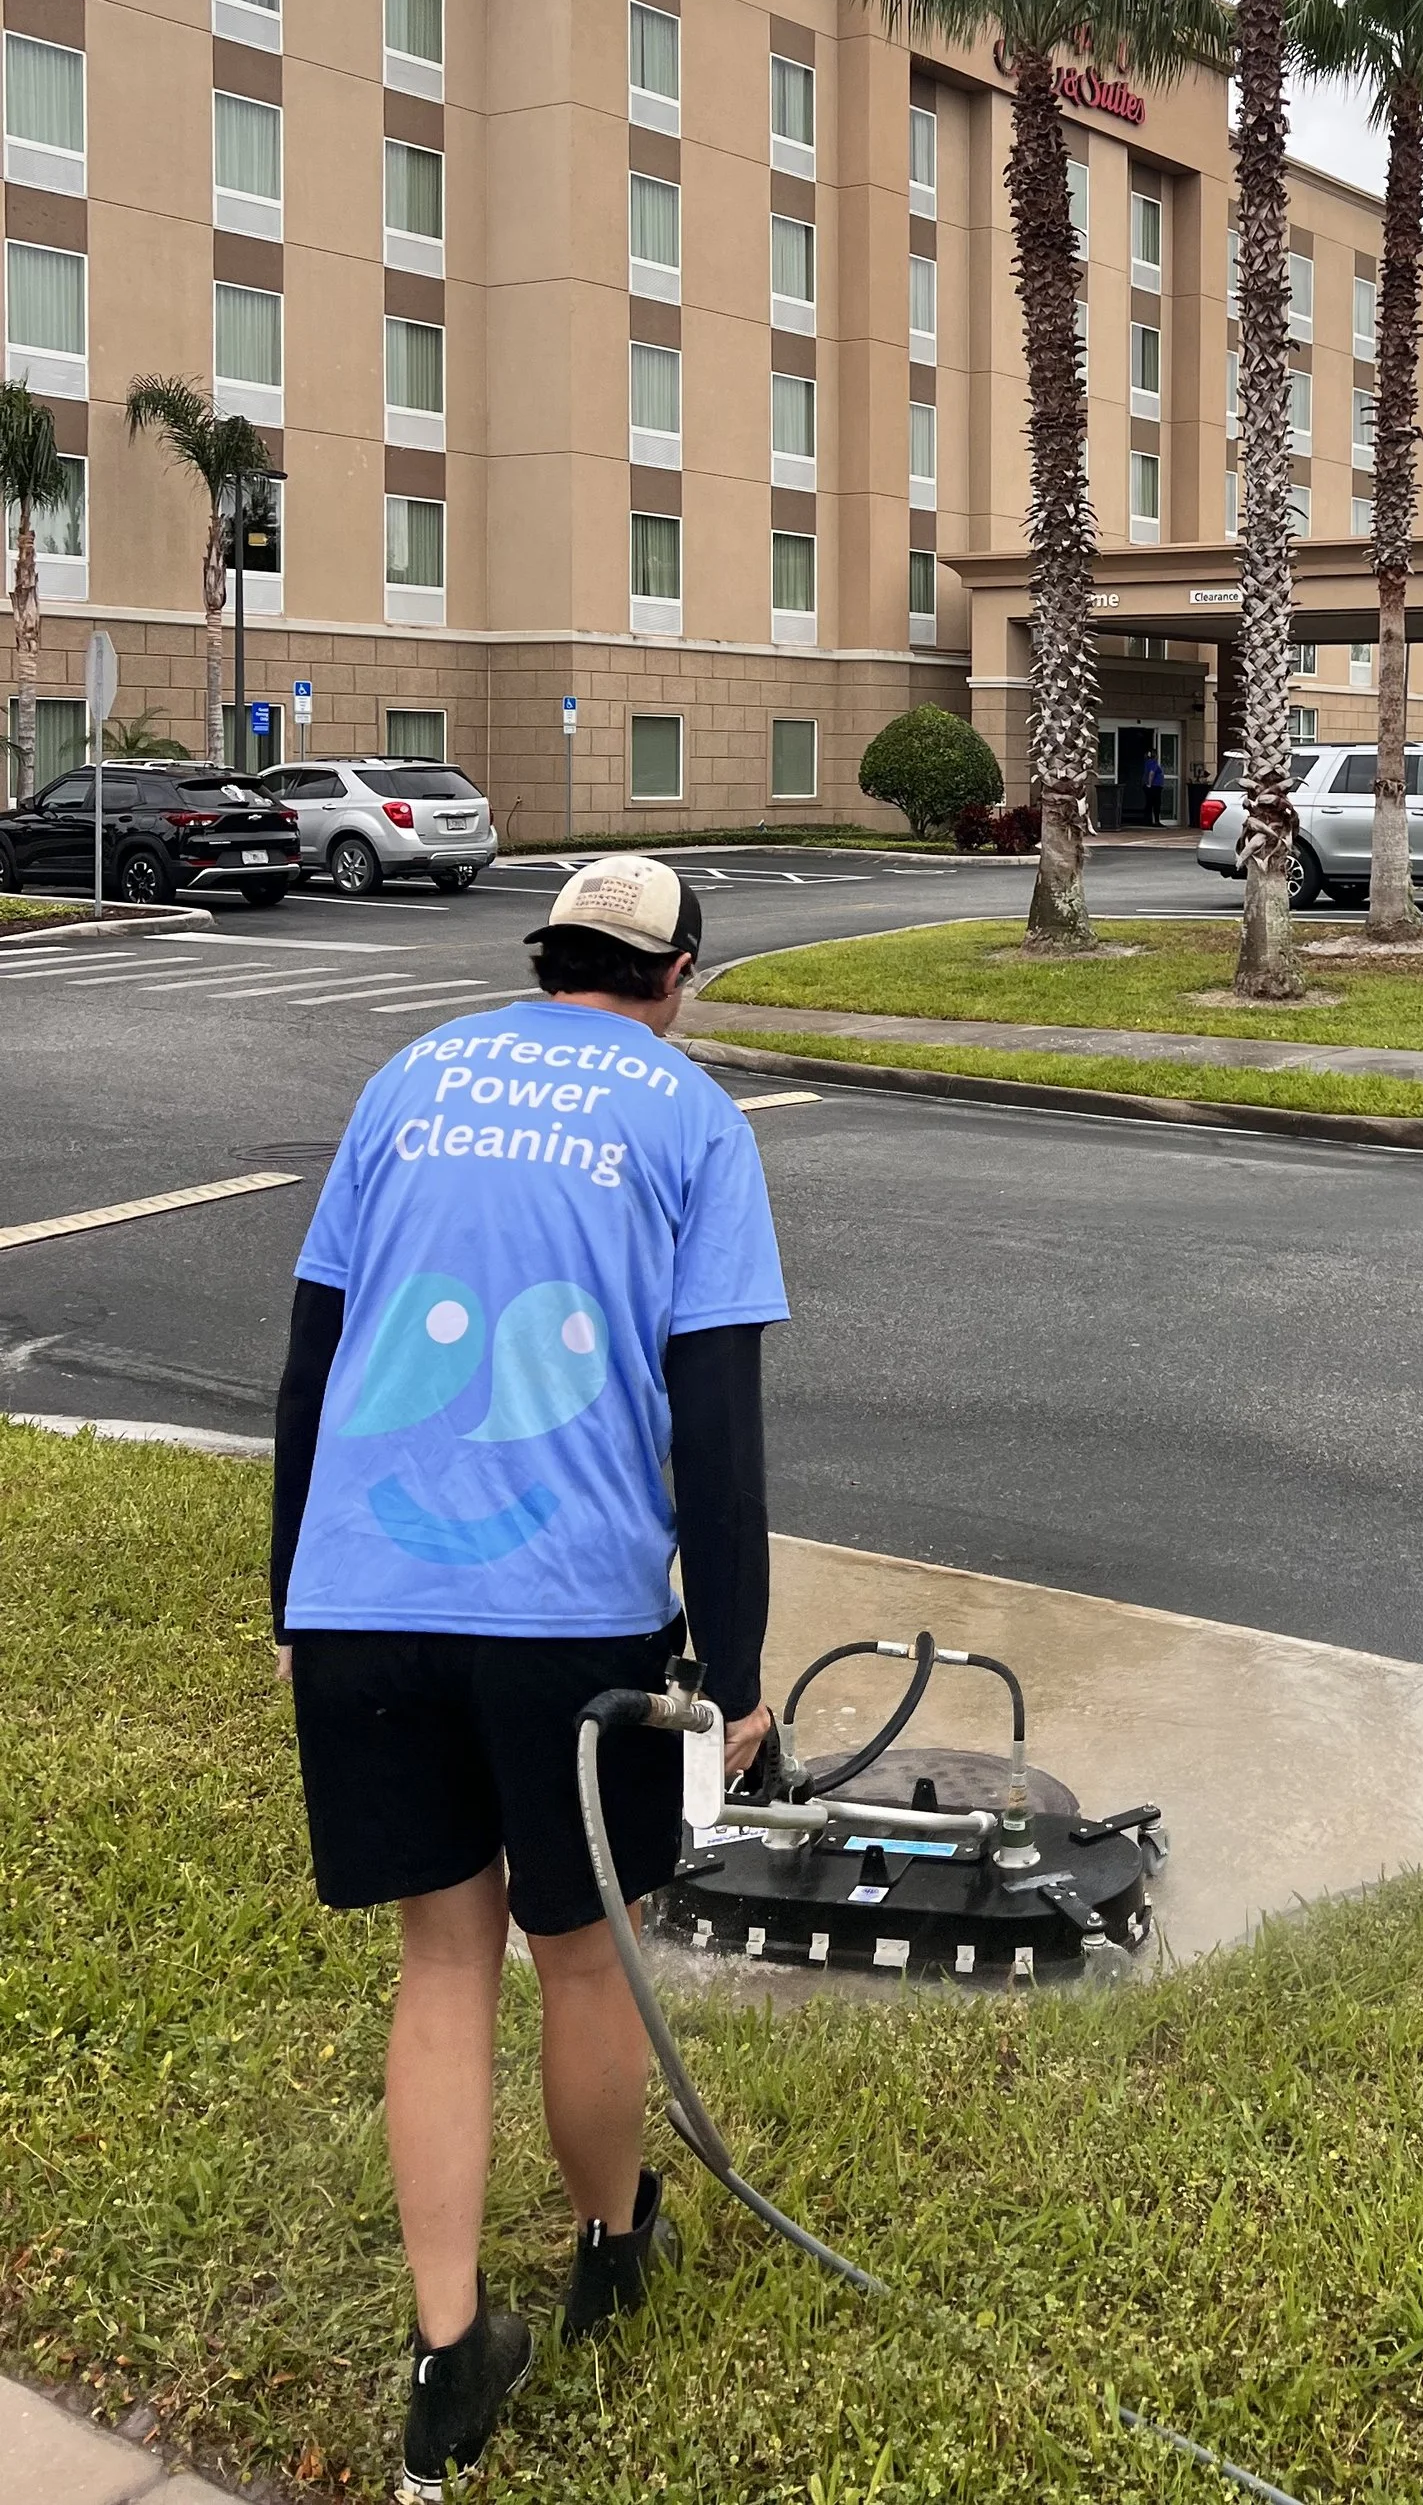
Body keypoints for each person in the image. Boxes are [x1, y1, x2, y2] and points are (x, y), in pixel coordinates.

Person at [270, 854, 787, 2503]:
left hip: (361, 1587)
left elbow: (311, 1348)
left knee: (442, 1961)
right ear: (675, 974)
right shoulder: (693, 1118)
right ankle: (612, 2245)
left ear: (546, 955)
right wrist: (743, 1671)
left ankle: (447, 2349)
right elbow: (714, 1424)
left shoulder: (407, 1076)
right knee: (580, 1954)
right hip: (563, 1615)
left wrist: (299, 1585)